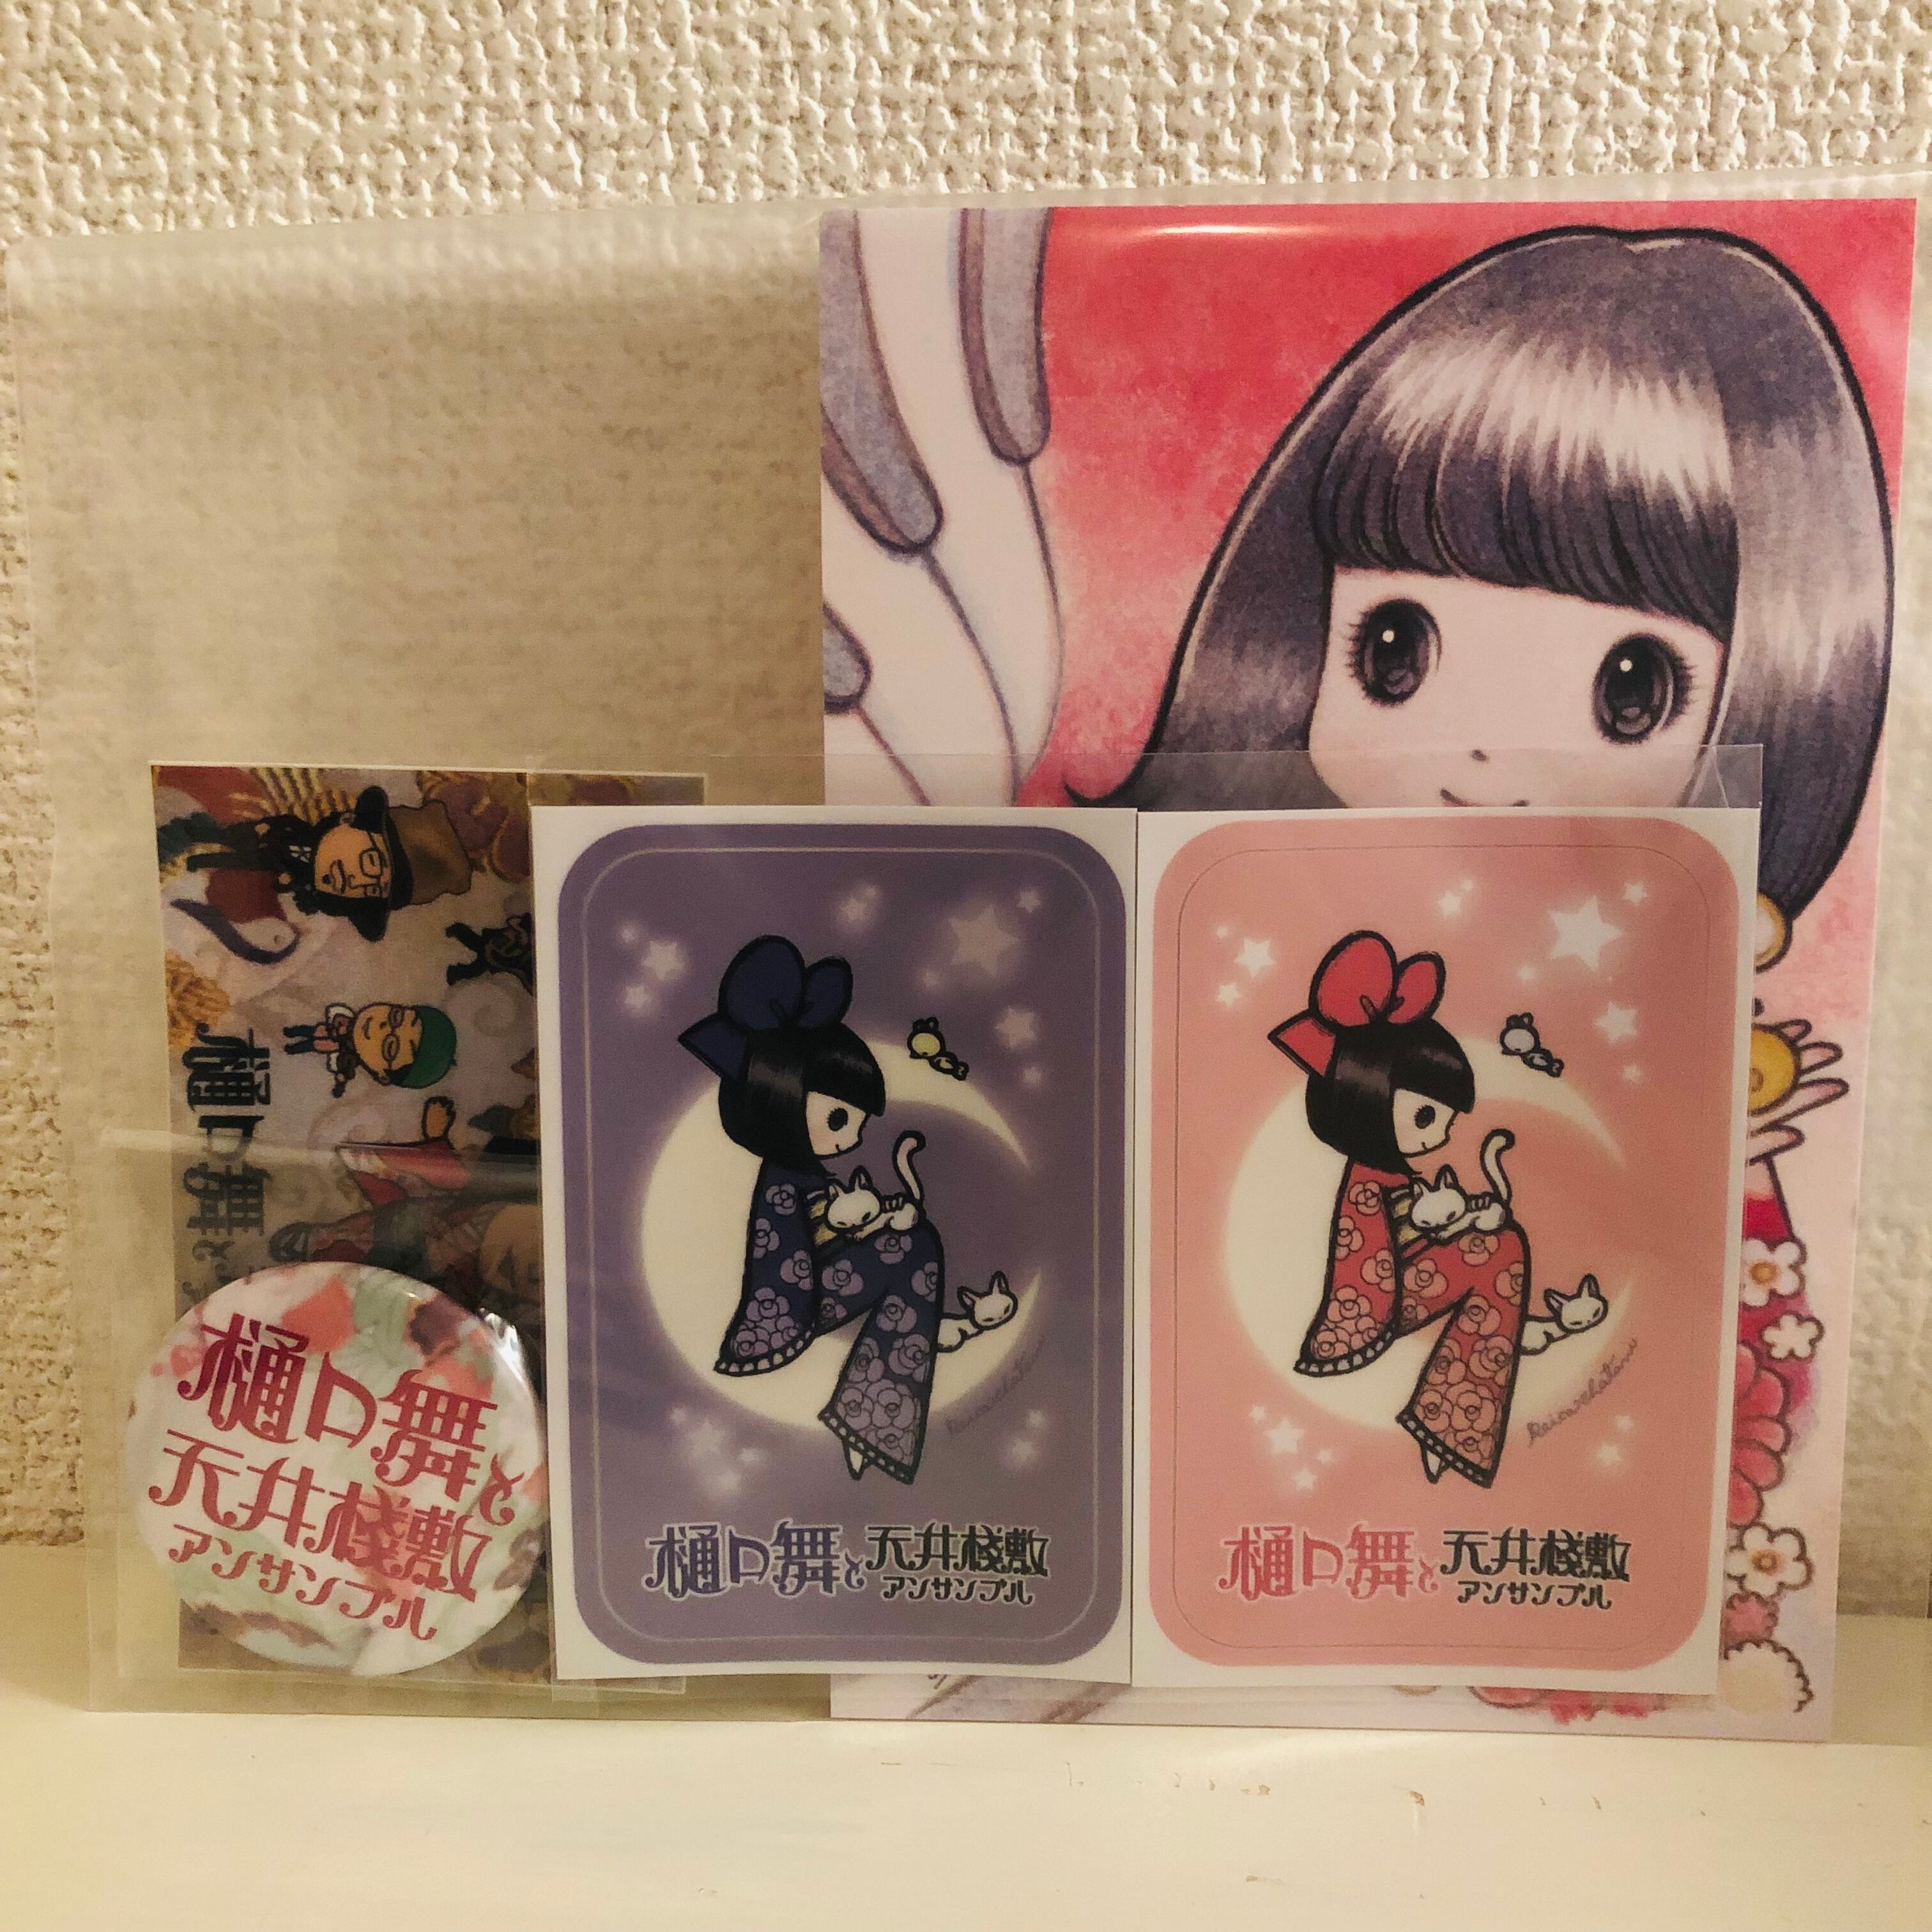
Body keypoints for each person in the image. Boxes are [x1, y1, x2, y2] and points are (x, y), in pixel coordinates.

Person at [680, 935, 1015, 1483]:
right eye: (840, 1120)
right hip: (788, 1310)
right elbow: (811, 1232)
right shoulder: (786, 1176)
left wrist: (879, 1221)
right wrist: (861, 1221)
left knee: (916, 1244)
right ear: (779, 1100)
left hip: (808, 1292)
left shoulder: (804, 1171)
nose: (853, 1138)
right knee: (915, 1248)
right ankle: (875, 1412)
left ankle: (874, 1410)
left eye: (857, 1123)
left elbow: (829, 1230)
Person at [1273, 931, 1603, 1487]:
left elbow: (1419, 1230)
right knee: (1500, 1251)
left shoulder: (1391, 1173)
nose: (1441, 1135)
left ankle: (1456, 1413)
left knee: (1501, 1246)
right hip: (1374, 1304)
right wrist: (1457, 1221)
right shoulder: (1370, 1180)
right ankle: (1453, 1420)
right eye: (1427, 1117)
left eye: (1445, 1120)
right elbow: (1387, 1248)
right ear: (1366, 1100)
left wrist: (1467, 1219)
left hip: (1397, 1284)